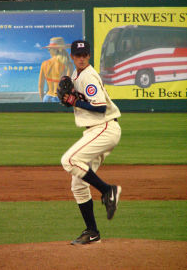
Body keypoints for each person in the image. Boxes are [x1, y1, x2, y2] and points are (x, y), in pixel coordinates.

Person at [61, 40, 122, 245]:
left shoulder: (87, 77)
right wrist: (67, 98)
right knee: (78, 184)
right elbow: (69, 97)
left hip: (104, 127)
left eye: (84, 54)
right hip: (95, 131)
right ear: (72, 56)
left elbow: (100, 107)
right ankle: (93, 232)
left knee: (68, 160)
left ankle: (107, 190)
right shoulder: (76, 76)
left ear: (89, 56)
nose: (81, 58)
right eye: (78, 55)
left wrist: (74, 101)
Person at [38, 37, 73, 102]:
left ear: (55, 50)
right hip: (60, 98)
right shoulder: (68, 65)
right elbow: (68, 86)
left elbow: (40, 85)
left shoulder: (44, 64)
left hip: (47, 97)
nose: (49, 51)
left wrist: (42, 99)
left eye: (49, 49)